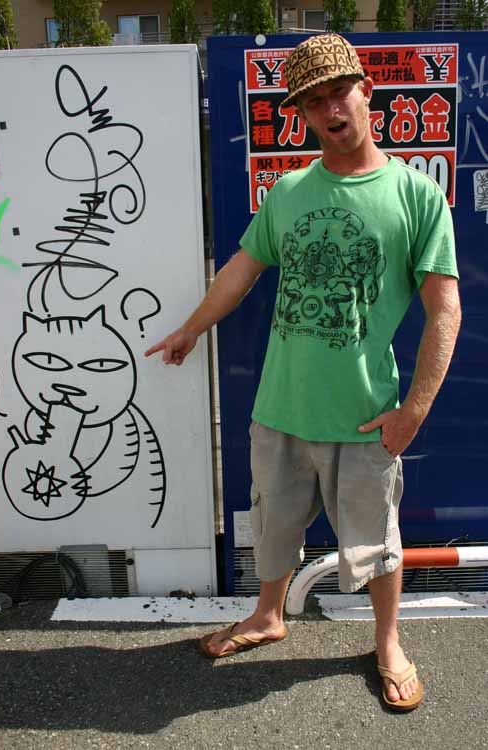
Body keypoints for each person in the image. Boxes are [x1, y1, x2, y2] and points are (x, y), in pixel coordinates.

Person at [145, 33, 461, 712]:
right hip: (280, 409)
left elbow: (445, 310)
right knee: (273, 526)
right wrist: (192, 328)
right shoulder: (288, 191)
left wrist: (414, 411)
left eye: (339, 93)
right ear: (303, 115)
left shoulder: (416, 195)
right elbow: (240, 270)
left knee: (377, 543)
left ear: (367, 92)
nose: (330, 110)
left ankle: (387, 642)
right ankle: (268, 615)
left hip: (364, 417)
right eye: (314, 102)